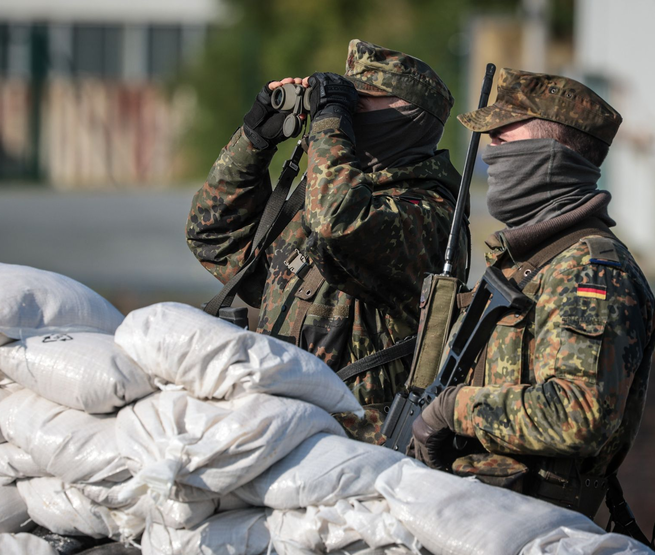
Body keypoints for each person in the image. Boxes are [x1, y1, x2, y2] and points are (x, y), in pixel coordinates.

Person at [186, 40, 468, 443]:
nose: (347, 114)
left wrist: (330, 121)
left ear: (407, 117)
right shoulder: (329, 193)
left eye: (360, 102)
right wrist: (254, 142)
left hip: (358, 444)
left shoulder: (428, 213)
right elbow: (212, 235)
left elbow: (338, 222)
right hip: (285, 425)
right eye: (344, 101)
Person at [411, 68, 655, 518]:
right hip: (478, 511)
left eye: (503, 141)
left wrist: (453, 409)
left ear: (549, 155)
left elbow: (578, 414)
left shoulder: (591, 272)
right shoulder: (529, 261)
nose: (491, 154)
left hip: (531, 529)